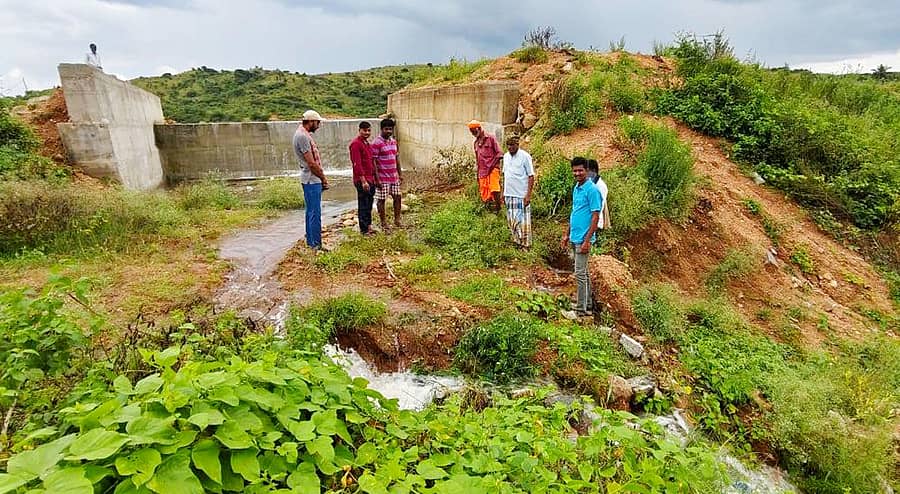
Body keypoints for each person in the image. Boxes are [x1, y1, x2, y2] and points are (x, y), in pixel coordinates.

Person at [561, 157, 603, 316]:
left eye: (580, 170)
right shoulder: (576, 188)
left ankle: (580, 310)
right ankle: (588, 304)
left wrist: (587, 240)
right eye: (575, 170)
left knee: (579, 274)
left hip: (583, 239)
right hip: (575, 236)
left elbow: (595, 216)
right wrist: (566, 234)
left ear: (587, 170)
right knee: (583, 273)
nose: (577, 173)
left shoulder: (592, 190)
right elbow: (574, 212)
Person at [293, 109, 329, 250]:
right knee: (315, 212)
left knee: (310, 211)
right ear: (311, 121)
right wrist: (323, 178)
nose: (319, 125)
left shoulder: (301, 134)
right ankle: (316, 245)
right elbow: (312, 163)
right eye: (317, 122)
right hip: (311, 179)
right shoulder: (302, 136)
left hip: (308, 178)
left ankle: (311, 242)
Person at [502, 136, 534, 248]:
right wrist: (503, 192)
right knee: (512, 220)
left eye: (512, 145)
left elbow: (531, 176)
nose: (510, 147)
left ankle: (525, 245)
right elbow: (504, 175)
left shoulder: (525, 156)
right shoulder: (505, 157)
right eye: (508, 145)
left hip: (521, 195)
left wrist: (528, 195)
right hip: (508, 194)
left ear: (517, 144)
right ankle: (516, 242)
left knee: (523, 222)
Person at [371, 118, 403, 230]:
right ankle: (383, 222)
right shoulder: (376, 143)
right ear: (381, 129)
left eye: (390, 129)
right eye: (386, 129)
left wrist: (400, 173)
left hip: (394, 177)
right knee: (381, 200)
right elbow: (373, 161)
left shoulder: (393, 141)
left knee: (398, 197)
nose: (389, 131)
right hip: (383, 178)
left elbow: (396, 158)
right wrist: (377, 178)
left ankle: (397, 220)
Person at [468, 120, 502, 212]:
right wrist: (477, 175)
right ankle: (489, 212)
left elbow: (499, 154)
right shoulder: (475, 144)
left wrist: (491, 166)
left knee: (495, 189)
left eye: (474, 131)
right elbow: (477, 161)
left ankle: (499, 209)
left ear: (479, 129)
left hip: (492, 169)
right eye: (472, 132)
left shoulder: (491, 138)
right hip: (482, 172)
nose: (473, 134)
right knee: (485, 194)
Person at [350, 121, 376, 235]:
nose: (367, 133)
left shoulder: (366, 143)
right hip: (362, 180)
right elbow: (357, 163)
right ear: (359, 130)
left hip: (370, 179)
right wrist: (363, 181)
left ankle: (369, 226)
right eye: (364, 130)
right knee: (363, 204)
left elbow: (370, 161)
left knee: (369, 203)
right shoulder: (356, 144)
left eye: (369, 130)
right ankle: (364, 229)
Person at [587, 158, 611, 230]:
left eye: (587, 171)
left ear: (593, 171)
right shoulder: (590, 184)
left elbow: (599, 207)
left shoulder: (601, 186)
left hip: (594, 224)